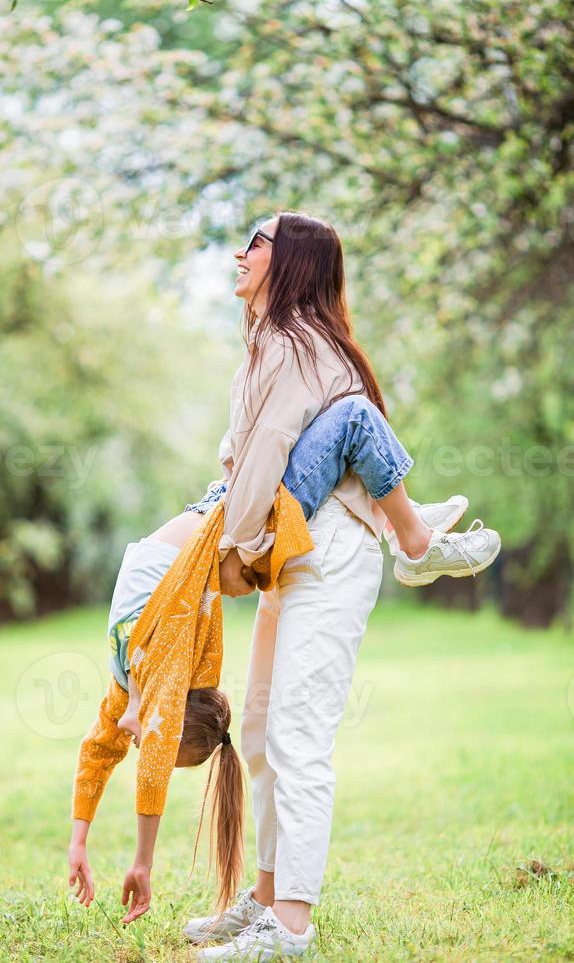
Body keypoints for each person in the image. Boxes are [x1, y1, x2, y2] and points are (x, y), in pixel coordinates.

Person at [182, 211, 500, 960]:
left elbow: (261, 461)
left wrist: (237, 547)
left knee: (295, 734)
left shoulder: (297, 346)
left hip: (324, 550)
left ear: (287, 260)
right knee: (258, 734)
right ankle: (264, 900)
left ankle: (290, 927)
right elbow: (241, 460)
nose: (240, 252)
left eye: (255, 242)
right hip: (286, 553)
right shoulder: (266, 347)